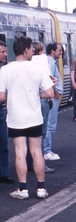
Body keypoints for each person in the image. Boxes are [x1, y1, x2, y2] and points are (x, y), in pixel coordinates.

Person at [0, 36, 55, 199]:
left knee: (19, 153)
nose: (33, 51)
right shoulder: (38, 69)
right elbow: (50, 93)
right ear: (25, 50)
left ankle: (23, 190)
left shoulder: (5, 70)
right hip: (34, 117)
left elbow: (1, 97)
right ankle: (41, 189)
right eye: (31, 49)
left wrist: (13, 94)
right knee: (36, 151)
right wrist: (35, 94)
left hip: (16, 118)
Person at [42, 43, 64, 161]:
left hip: (53, 97)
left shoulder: (51, 63)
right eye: (59, 50)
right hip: (52, 98)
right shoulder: (50, 63)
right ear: (52, 51)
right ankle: (47, 151)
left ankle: (46, 149)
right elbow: (49, 80)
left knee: (49, 124)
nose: (61, 52)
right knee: (49, 124)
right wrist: (55, 92)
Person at [0, 41, 13, 183]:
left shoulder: (5, 69)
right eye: (2, 52)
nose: (5, 54)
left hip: (1, 111)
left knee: (3, 142)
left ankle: (3, 173)